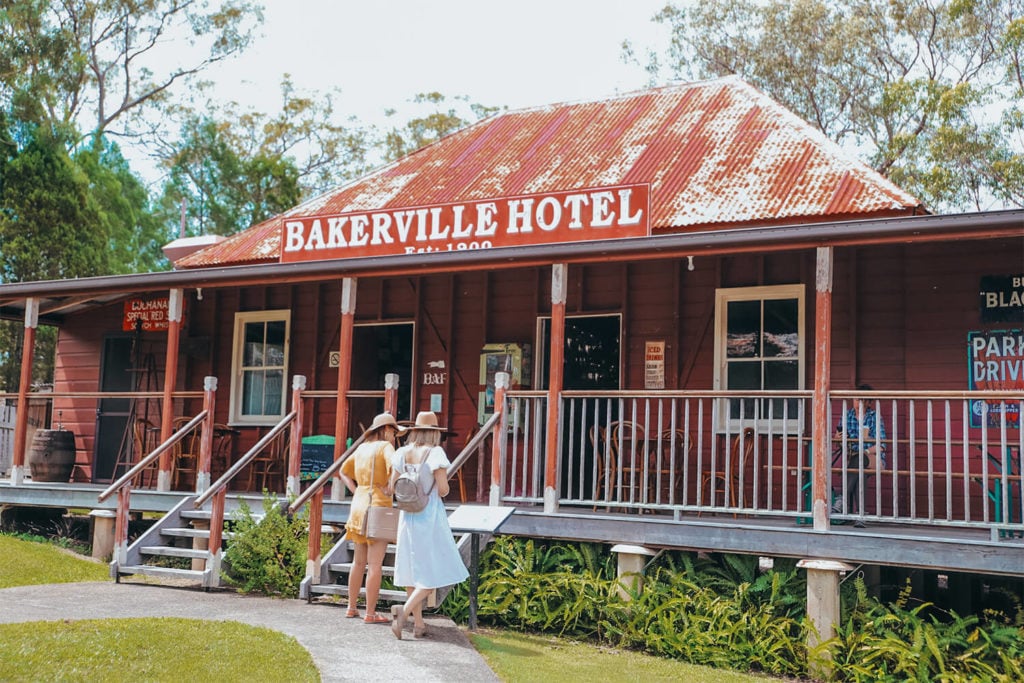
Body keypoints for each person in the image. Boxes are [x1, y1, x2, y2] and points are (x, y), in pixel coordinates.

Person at [388, 411, 469, 640]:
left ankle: (419, 624)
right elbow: (443, 489)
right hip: (428, 515)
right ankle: (403, 614)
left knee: (410, 570)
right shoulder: (435, 453)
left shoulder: (402, 452)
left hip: (407, 515)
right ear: (434, 433)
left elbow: (391, 484)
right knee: (431, 571)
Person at [339, 412, 403, 624]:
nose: (394, 436)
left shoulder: (361, 448)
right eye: (393, 432)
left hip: (358, 504)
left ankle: (351, 607)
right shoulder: (385, 447)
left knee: (358, 562)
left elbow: (343, 472)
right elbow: (396, 467)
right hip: (377, 505)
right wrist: (390, 487)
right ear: (386, 430)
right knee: (375, 564)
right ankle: (370, 613)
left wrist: (356, 489)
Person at [835, 384, 887, 526]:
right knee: (860, 473)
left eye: (862, 400)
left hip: (873, 458)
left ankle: (841, 499)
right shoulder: (847, 415)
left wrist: (866, 451)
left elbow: (882, 445)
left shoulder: (874, 417)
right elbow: (840, 445)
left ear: (869, 402)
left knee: (859, 461)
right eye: (856, 399)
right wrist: (838, 439)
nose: (858, 402)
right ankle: (861, 516)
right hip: (854, 459)